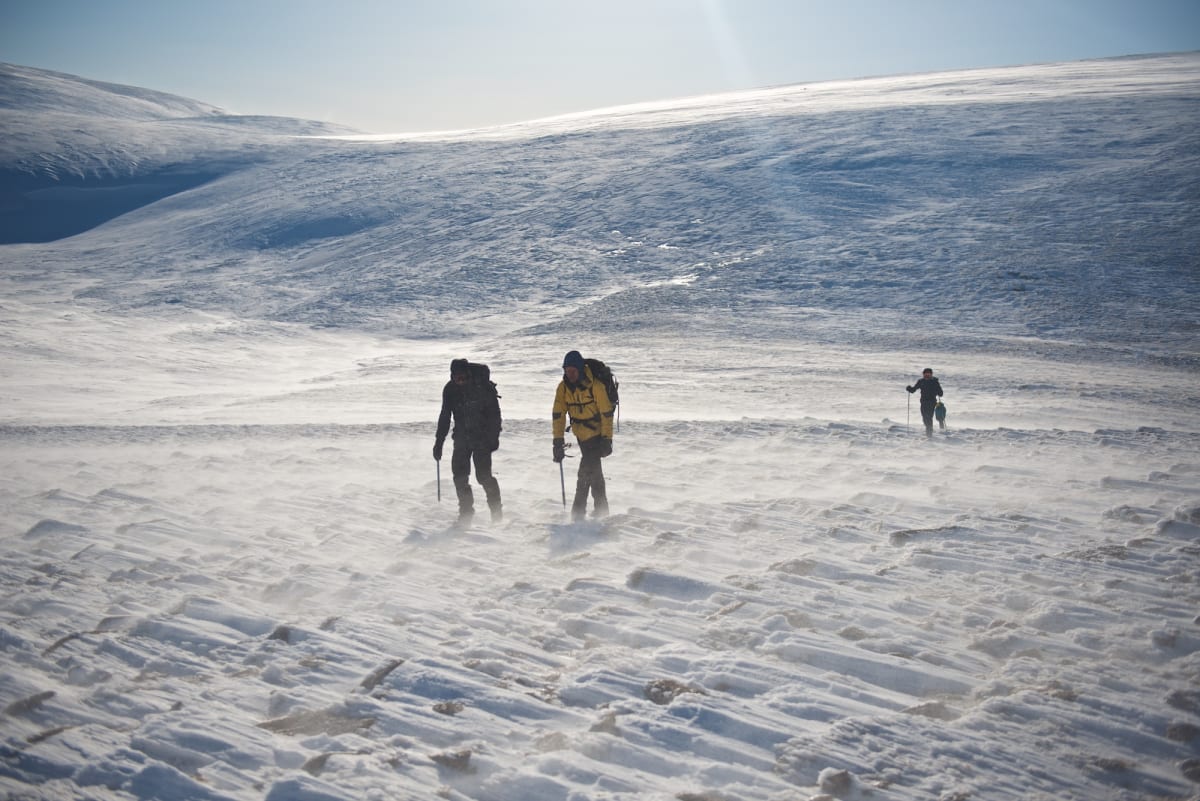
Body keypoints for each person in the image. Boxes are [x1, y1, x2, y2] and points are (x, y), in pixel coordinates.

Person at [434, 359, 502, 524]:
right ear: (452, 377)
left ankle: (496, 513)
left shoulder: (482, 387)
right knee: (459, 477)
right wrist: (439, 442)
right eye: (457, 379)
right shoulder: (450, 390)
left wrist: (493, 438)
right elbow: (445, 417)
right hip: (461, 439)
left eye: (463, 377)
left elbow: (495, 415)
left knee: (484, 477)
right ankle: (466, 514)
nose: (461, 381)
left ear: (469, 375)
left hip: (482, 438)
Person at [552, 350, 614, 521]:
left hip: (597, 435)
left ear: (580, 369)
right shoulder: (563, 388)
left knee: (585, 473)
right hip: (581, 435)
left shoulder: (596, 386)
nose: (569, 374)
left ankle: (578, 514)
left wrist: (607, 439)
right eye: (566, 371)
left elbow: (606, 414)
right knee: (594, 474)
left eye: (573, 371)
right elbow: (558, 414)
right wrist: (557, 441)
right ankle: (602, 511)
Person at [906, 367, 944, 437]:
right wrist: (909, 388)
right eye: (925, 374)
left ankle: (929, 433)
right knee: (924, 418)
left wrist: (937, 389)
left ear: (931, 374)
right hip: (923, 403)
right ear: (923, 374)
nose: (926, 375)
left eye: (928, 374)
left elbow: (941, 394)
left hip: (932, 403)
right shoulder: (921, 381)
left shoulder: (935, 382)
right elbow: (913, 390)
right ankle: (929, 430)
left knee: (928, 417)